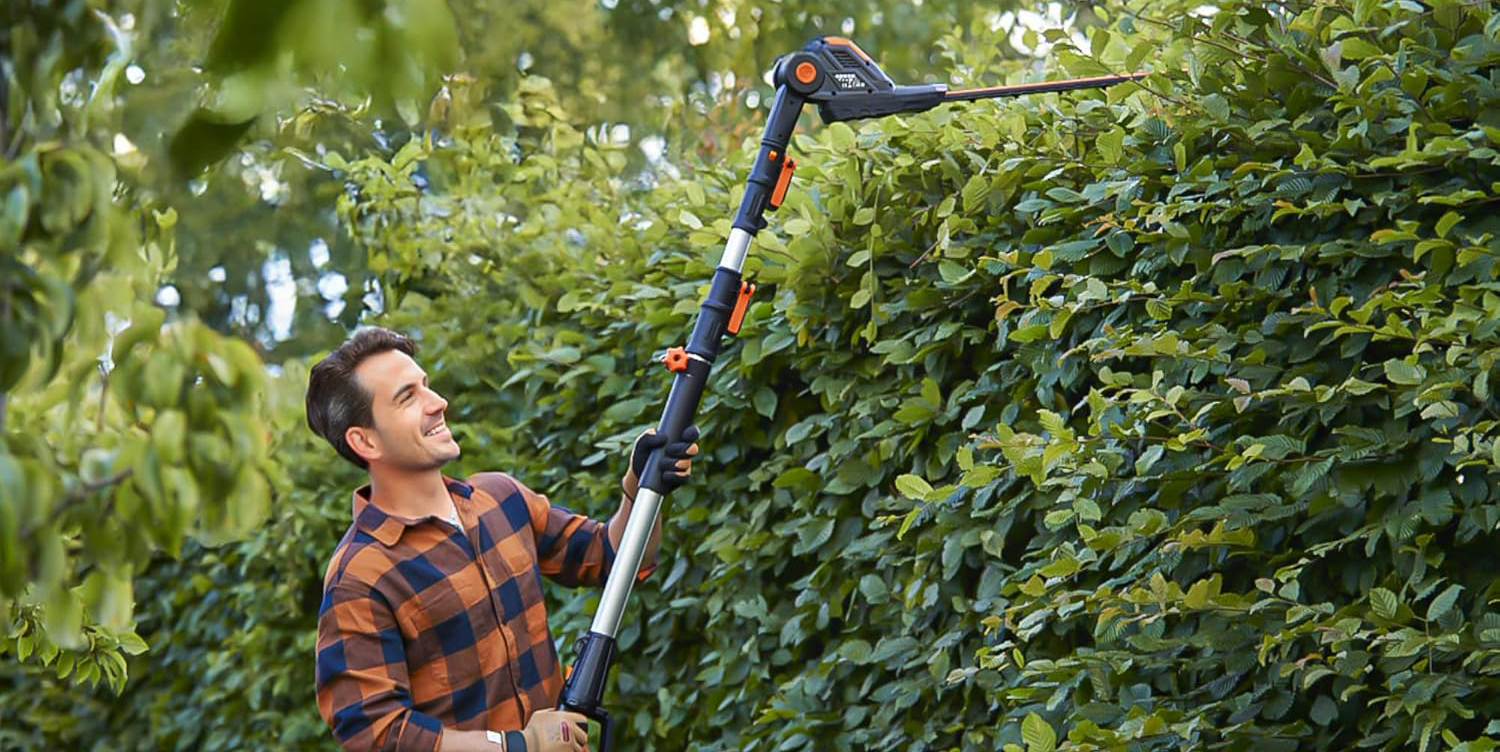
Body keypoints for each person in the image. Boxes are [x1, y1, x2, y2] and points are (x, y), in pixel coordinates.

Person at [306, 328, 698, 752]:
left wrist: (641, 488)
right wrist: (516, 745)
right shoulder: (361, 576)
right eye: (407, 397)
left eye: (427, 386)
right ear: (364, 440)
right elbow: (375, 734)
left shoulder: (500, 498)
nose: (437, 403)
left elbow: (615, 558)